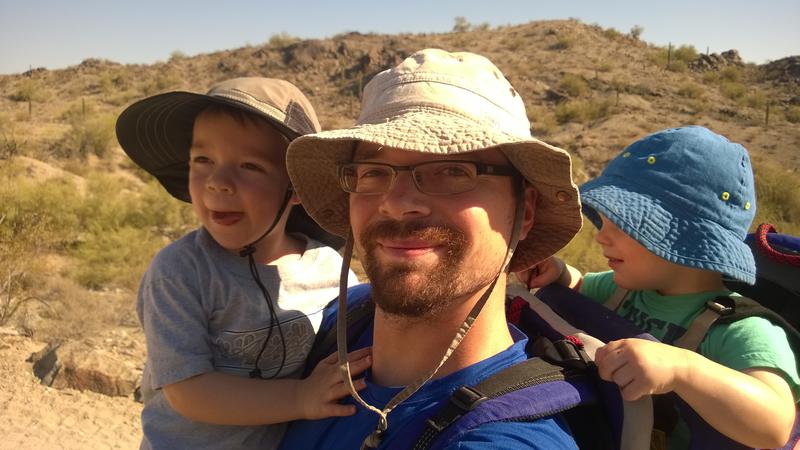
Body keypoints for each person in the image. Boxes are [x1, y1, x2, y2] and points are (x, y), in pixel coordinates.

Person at [277, 49, 583, 449]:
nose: (398, 202)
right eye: (373, 172)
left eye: (453, 169)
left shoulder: (502, 439)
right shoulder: (339, 319)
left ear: (525, 212)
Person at [115, 78, 368, 450]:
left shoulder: (329, 269)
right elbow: (189, 392)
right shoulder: (181, 271)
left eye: (249, 166)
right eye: (203, 160)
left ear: (297, 187)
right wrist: (300, 398)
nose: (218, 182)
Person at [519, 126, 799, 449]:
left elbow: (776, 424)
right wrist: (559, 273)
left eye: (621, 223)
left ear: (683, 240)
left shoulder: (740, 329)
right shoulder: (624, 288)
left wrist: (682, 369)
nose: (600, 236)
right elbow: (581, 286)